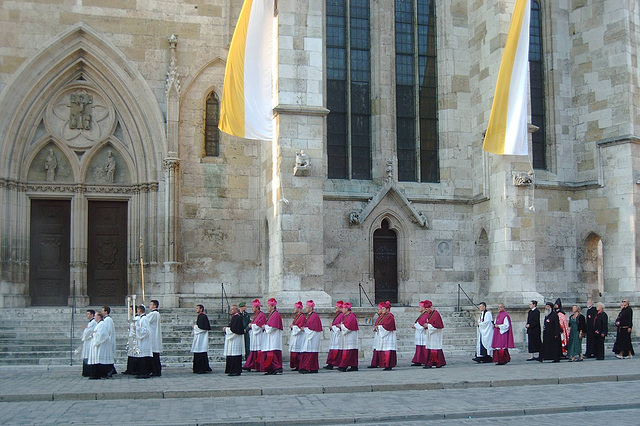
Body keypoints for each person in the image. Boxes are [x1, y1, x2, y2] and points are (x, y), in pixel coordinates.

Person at [369, 301, 397, 371]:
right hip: (383, 335)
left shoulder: (390, 316)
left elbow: (387, 326)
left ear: (388, 309)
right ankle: (384, 364)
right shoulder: (383, 316)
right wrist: (377, 327)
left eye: (384, 309)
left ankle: (388, 365)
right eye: (382, 309)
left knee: (387, 350)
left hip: (388, 336)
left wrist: (378, 327)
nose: (382, 310)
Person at [261, 298, 283, 375]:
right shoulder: (271, 314)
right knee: (268, 353)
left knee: (271, 353)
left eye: (269, 306)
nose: (267, 307)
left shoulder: (276, 314)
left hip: (273, 337)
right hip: (270, 337)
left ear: (273, 306)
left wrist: (265, 327)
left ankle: (276, 367)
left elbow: (273, 327)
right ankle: (270, 368)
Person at [299, 300, 322, 374]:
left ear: (311, 308)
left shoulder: (314, 316)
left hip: (312, 338)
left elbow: (313, 329)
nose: (305, 309)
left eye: (306, 307)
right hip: (309, 336)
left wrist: (304, 329)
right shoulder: (310, 315)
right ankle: (311, 368)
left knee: (310, 352)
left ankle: (308, 368)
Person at [243, 299, 266, 372]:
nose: (252, 309)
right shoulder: (256, 315)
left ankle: (258, 366)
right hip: (254, 335)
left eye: (253, 307)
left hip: (258, 336)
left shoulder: (261, 315)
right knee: (253, 351)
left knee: (258, 351)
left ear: (257, 308)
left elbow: (259, 326)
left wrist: (251, 325)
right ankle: (252, 365)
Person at [223, 304, 245, 376]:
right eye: (231, 309)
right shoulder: (234, 317)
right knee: (232, 354)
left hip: (236, 339)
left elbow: (235, 329)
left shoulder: (237, 318)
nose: (231, 310)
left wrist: (226, 329)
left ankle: (235, 371)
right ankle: (231, 370)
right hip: (233, 339)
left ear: (236, 310)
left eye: (232, 309)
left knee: (235, 354)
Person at [88, 312, 110, 379]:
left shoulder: (102, 324)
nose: (94, 317)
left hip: (100, 345)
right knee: (97, 360)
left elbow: (102, 335)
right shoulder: (99, 324)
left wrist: (93, 334)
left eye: (95, 316)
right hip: (98, 344)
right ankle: (98, 374)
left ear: (99, 317)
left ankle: (98, 374)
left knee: (99, 360)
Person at [424, 300, 446, 368]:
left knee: (434, 349)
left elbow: (437, 326)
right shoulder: (431, 314)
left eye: (427, 309)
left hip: (435, 335)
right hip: (431, 334)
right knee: (431, 348)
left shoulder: (436, 314)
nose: (426, 310)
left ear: (430, 307)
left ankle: (434, 363)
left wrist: (428, 326)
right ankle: (433, 363)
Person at [338, 302, 359, 372]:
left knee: (349, 352)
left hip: (350, 337)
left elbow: (348, 327)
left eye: (343, 308)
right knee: (351, 352)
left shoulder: (351, 316)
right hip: (348, 337)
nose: (342, 310)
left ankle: (343, 366)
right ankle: (354, 366)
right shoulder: (348, 316)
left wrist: (341, 326)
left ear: (347, 309)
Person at [324, 300, 345, 370]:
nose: (335, 308)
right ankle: (330, 363)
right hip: (335, 335)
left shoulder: (341, 315)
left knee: (336, 350)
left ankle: (334, 363)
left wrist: (332, 327)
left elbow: (340, 326)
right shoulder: (338, 315)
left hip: (338, 335)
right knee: (333, 349)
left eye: (337, 307)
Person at [191, 304, 212, 374]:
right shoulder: (201, 316)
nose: (196, 309)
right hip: (199, 337)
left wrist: (195, 327)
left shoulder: (203, 316)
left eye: (197, 308)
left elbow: (203, 328)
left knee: (200, 351)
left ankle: (201, 368)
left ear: (201, 309)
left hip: (201, 338)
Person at [134, 305, 153, 379]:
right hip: (142, 341)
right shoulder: (142, 318)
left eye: (138, 310)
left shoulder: (144, 319)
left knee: (143, 358)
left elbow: (146, 330)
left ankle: (145, 373)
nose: (137, 312)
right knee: (141, 357)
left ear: (140, 311)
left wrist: (137, 328)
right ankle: (142, 372)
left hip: (144, 341)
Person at [411, 301, 429, 366]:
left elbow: (422, 325)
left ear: (424, 308)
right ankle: (418, 360)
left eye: (420, 307)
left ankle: (424, 360)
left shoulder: (425, 315)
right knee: (419, 347)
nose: (419, 308)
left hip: (423, 333)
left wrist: (415, 326)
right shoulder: (422, 314)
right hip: (419, 333)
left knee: (423, 347)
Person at [122, 305, 139, 376]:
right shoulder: (133, 319)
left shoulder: (137, 318)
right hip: (131, 339)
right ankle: (130, 369)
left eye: (131, 310)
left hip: (135, 339)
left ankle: (134, 369)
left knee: (134, 353)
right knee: (131, 353)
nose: (130, 311)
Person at [289, 301, 306, 371]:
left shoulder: (302, 317)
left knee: (298, 352)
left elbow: (300, 328)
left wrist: (293, 327)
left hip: (299, 337)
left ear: (299, 308)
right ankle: (296, 365)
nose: (294, 309)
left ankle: (299, 365)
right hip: (295, 337)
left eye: (295, 308)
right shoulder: (297, 316)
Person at [147, 299, 162, 377]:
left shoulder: (154, 314)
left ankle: (155, 371)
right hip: (153, 335)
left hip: (153, 336)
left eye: (151, 304)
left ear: (155, 306)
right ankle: (155, 370)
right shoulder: (155, 314)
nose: (150, 306)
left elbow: (145, 321)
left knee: (154, 356)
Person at [100, 306, 117, 376]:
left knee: (108, 355)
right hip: (107, 339)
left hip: (108, 340)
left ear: (106, 312)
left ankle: (110, 369)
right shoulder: (105, 319)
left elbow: (108, 330)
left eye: (102, 311)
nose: (101, 312)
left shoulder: (108, 320)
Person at [81, 309, 96, 377]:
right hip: (88, 341)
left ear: (92, 315)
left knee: (88, 355)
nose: (87, 315)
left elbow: (89, 332)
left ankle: (88, 371)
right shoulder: (91, 322)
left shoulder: (93, 322)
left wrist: (86, 328)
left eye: (88, 314)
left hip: (89, 341)